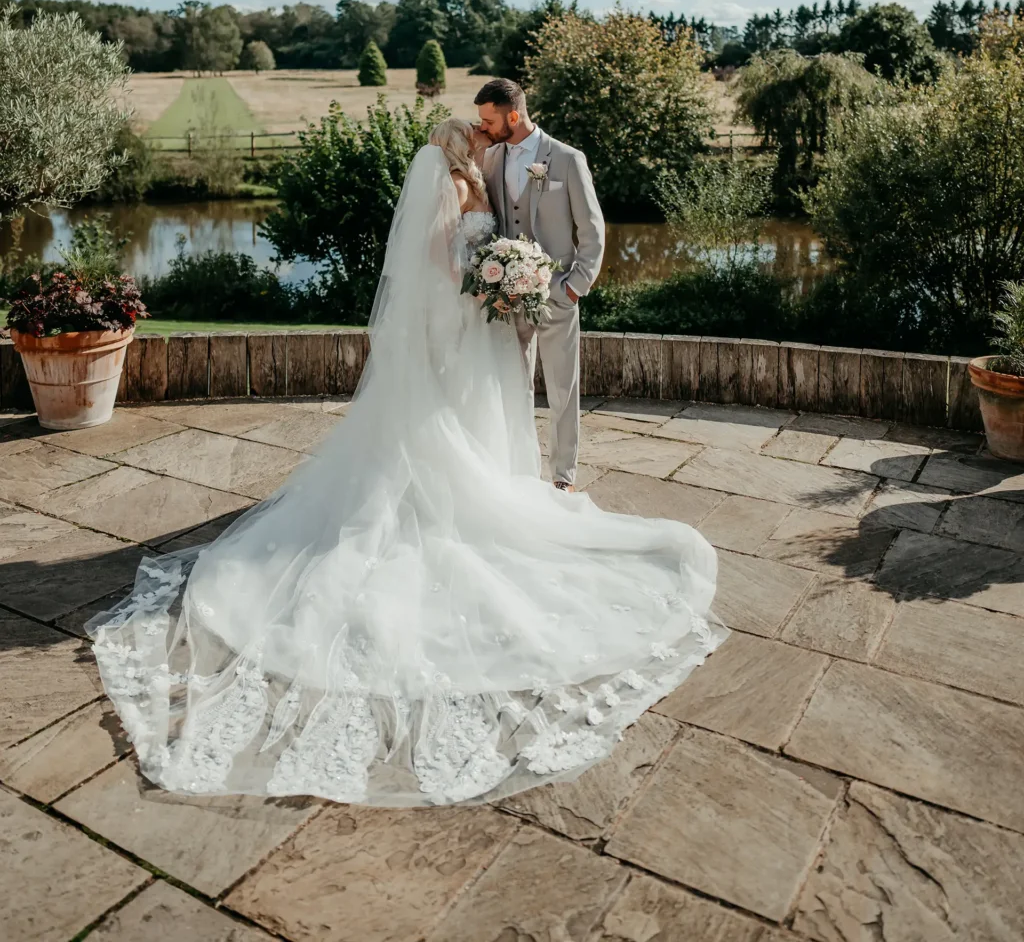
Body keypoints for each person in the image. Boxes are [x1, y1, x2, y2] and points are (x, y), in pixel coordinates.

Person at [89, 119, 725, 808]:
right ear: (462, 147)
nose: (485, 142)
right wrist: (486, 283)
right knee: (451, 426)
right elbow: (438, 257)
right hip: (461, 323)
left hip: (468, 321)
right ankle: (450, 499)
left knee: (464, 419)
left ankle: (465, 485)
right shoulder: (456, 181)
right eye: (476, 136)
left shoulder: (468, 177)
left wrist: (498, 275)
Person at [474, 78, 603, 492]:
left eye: (489, 120)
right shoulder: (492, 159)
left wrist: (574, 287)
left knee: (563, 390)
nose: (484, 128)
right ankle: (521, 469)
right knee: (514, 386)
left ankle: (562, 476)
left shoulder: (565, 159)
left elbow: (592, 230)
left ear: (513, 115)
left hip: (557, 294)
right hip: (505, 297)